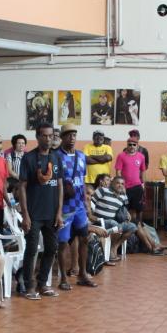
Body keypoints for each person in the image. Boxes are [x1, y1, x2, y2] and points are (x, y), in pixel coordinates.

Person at [17, 122, 63, 300]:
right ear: (37, 137)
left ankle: (43, 283)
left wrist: (59, 213)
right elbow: (22, 187)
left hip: (51, 213)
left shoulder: (56, 157)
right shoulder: (28, 158)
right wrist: (25, 214)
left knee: (52, 248)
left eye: (51, 135)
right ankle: (29, 286)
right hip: (34, 213)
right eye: (44, 135)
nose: (48, 138)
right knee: (32, 249)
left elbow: (59, 185)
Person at [56, 124, 101, 290]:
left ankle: (83, 274)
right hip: (64, 208)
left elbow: (82, 182)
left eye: (74, 134)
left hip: (79, 207)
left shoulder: (81, 156)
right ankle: (63, 278)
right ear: (62, 137)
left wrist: (86, 205)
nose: (72, 138)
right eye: (68, 135)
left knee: (84, 239)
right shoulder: (56, 156)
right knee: (63, 243)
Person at [92, 175, 137, 260]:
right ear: (112, 183)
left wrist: (127, 213)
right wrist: (90, 216)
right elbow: (90, 202)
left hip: (113, 222)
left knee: (133, 227)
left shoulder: (123, 196)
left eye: (122, 184)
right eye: (117, 183)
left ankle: (114, 246)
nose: (120, 185)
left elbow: (125, 206)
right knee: (115, 225)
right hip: (100, 221)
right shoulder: (103, 191)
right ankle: (109, 251)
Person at [115, 138, 148, 227]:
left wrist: (143, 185)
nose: (132, 146)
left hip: (137, 187)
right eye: (130, 144)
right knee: (125, 209)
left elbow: (143, 171)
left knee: (138, 209)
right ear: (127, 145)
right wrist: (121, 187)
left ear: (137, 146)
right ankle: (127, 228)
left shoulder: (141, 156)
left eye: (134, 144)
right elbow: (118, 172)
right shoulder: (121, 156)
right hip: (125, 188)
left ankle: (139, 226)